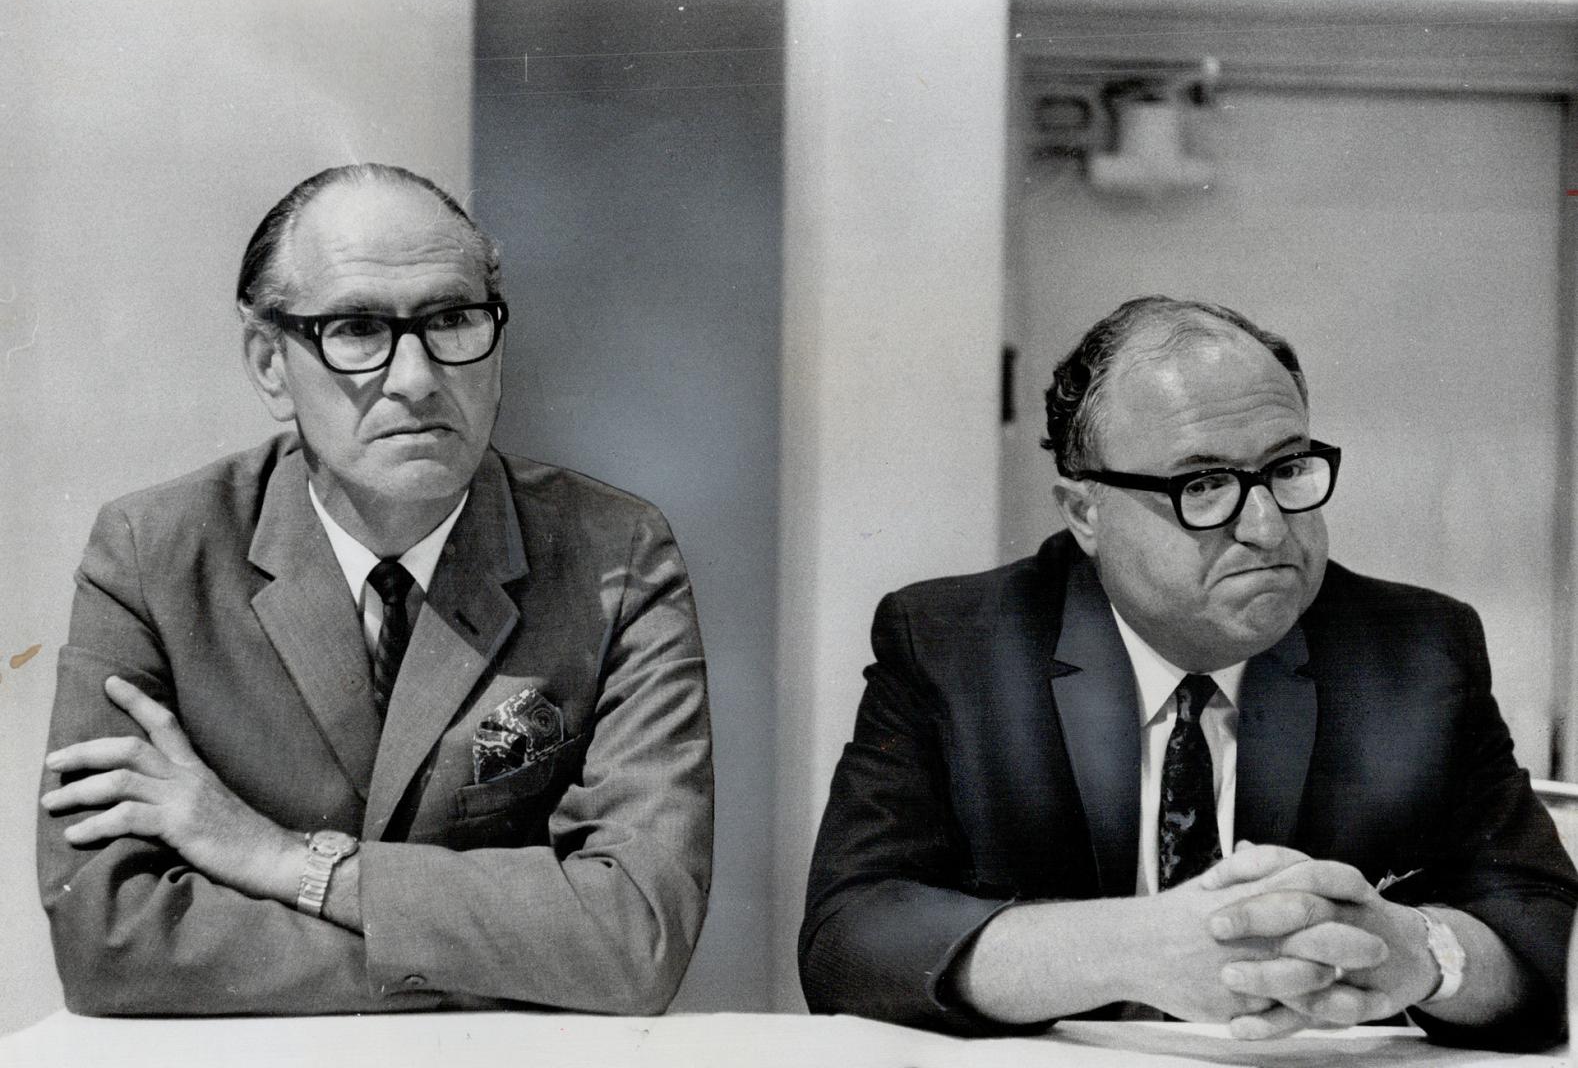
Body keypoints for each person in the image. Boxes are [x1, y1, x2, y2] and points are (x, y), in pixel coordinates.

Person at [799, 295, 1577, 1050]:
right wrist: (1134, 946)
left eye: (1289, 470)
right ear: (1085, 512)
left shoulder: (1415, 651)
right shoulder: (955, 643)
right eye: (1203, 486)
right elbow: (850, 937)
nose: (1267, 526)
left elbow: (1543, 930)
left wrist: (1419, 953)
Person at [36, 164, 712, 1017]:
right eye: (356, 329)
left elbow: (634, 937)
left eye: (454, 320)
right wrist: (499, 960)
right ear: (269, 364)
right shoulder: (153, 553)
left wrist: (287, 862)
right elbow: (114, 942)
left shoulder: (617, 556)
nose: (418, 378)